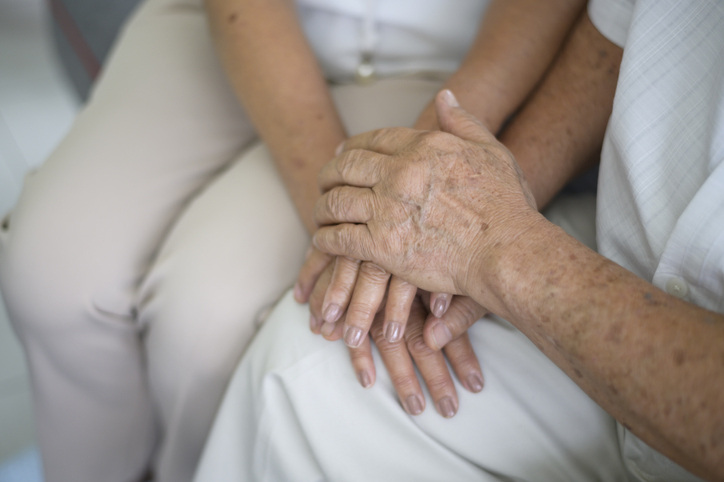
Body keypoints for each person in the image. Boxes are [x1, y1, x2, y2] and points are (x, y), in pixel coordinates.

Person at [0, 0, 588, 480]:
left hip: (452, 69)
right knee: (47, 271)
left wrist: (427, 180)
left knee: (203, 319)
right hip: (227, 23)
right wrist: (355, 225)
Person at [195, 0, 724, 481]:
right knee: (301, 363)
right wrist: (428, 207)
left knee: (204, 322)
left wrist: (499, 247)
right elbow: (619, 42)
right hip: (628, 246)